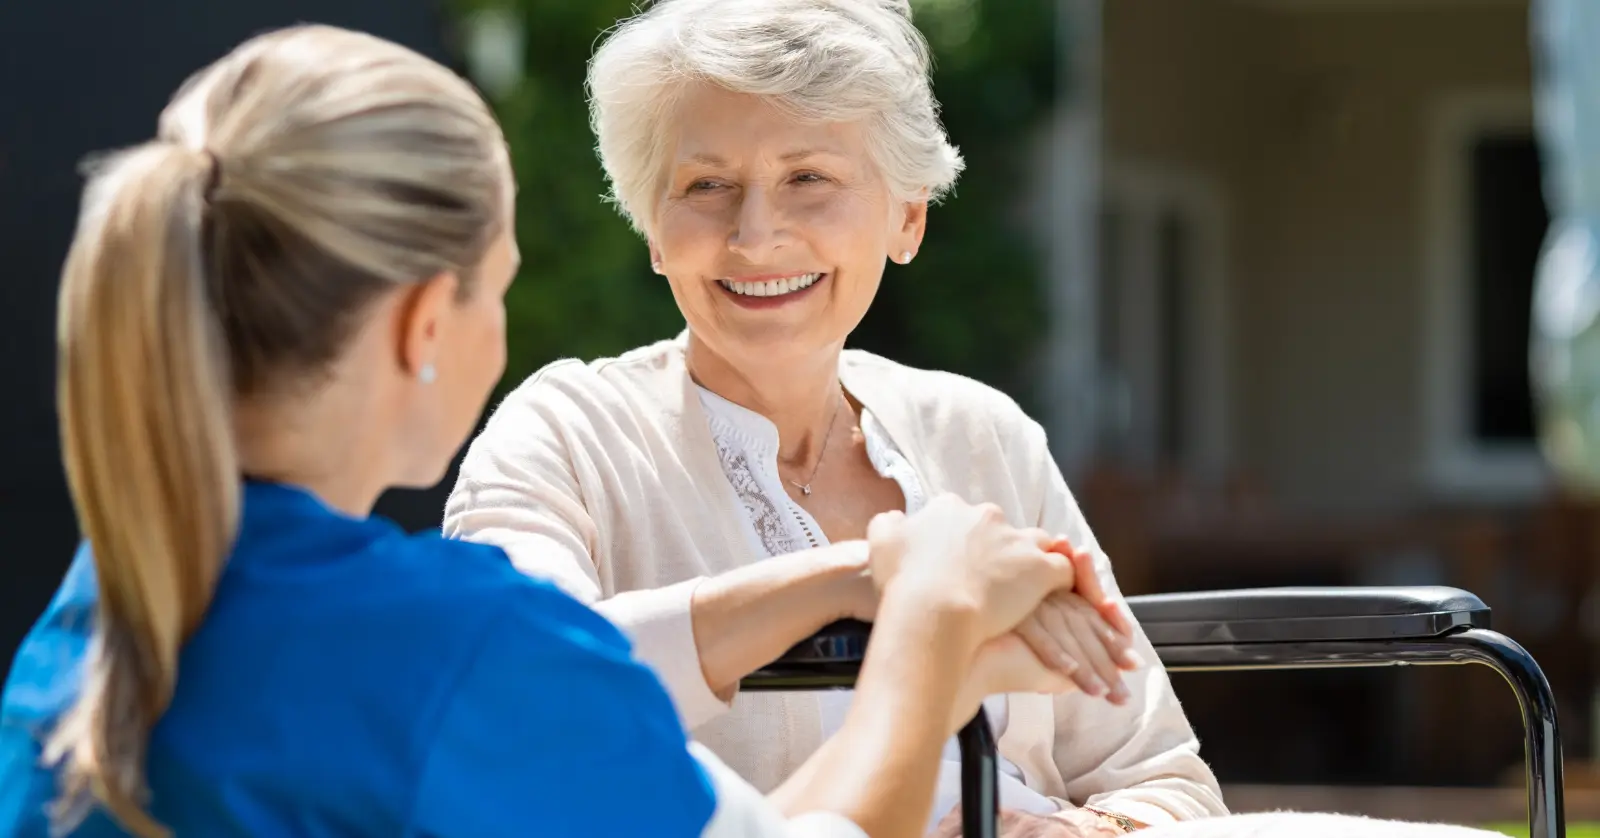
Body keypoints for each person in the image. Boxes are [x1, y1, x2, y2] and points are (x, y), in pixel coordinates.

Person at [0, 24, 1103, 838]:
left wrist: (855, 586)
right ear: (428, 321)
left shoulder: (106, 606)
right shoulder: (455, 650)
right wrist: (930, 625)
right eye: (499, 290)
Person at [441, 0, 1218, 833]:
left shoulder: (981, 433)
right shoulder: (566, 433)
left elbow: (1160, 779)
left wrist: (1058, 831)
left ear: (907, 216)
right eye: (707, 185)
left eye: (808, 178)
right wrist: (877, 579)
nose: (756, 234)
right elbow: (511, 685)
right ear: (652, 229)